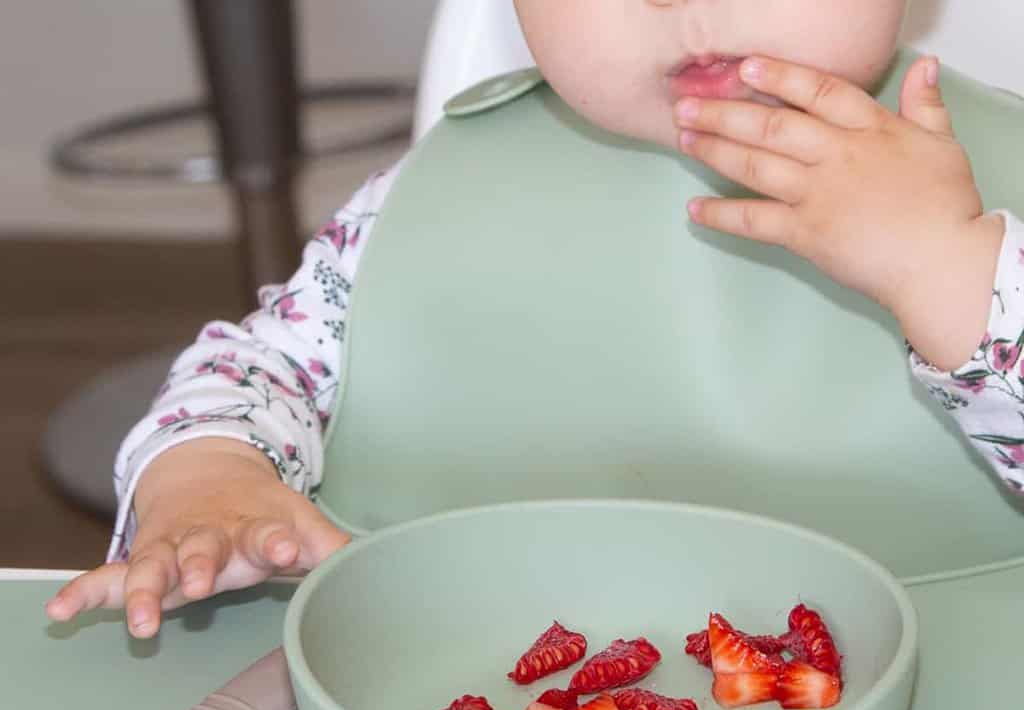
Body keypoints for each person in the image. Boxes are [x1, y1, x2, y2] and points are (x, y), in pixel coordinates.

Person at [46, 0, 1024, 638]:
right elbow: (263, 373)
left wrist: (948, 270)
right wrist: (210, 473)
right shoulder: (429, 201)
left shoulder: (1002, 177)